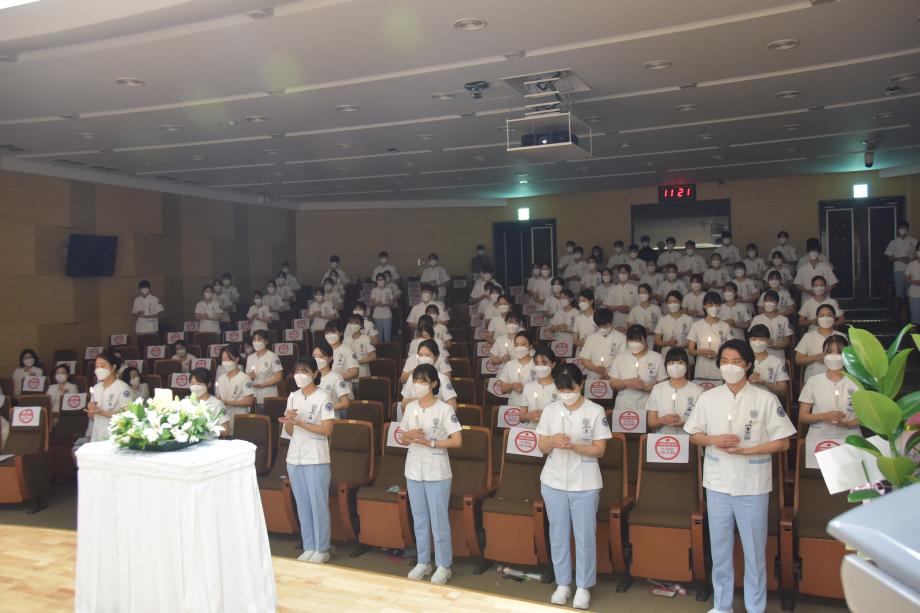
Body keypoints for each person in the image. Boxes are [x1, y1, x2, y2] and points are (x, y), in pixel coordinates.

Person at [684, 339, 796, 613]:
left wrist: (749, 450)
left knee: (754, 552)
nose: (730, 367)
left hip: (752, 485)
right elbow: (694, 434)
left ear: (747, 365)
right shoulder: (708, 398)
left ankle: (755, 607)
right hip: (717, 483)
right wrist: (713, 440)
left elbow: (784, 442)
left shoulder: (765, 399)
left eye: (736, 362)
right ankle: (722, 606)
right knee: (720, 549)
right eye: (724, 361)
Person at [536, 365, 611, 610]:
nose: (566, 394)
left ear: (581, 385)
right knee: (557, 534)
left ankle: (583, 586)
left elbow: (600, 450)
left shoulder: (595, 410)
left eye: (571, 389)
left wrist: (575, 446)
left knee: (584, 536)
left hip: (585, 482)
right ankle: (563, 583)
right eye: (561, 390)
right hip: (553, 481)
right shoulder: (550, 410)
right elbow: (541, 447)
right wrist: (551, 440)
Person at [400, 364, 463, 584]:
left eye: (423, 381)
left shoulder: (444, 409)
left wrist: (432, 442)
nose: (418, 385)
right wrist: (408, 435)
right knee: (419, 519)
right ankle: (423, 561)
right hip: (413, 470)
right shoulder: (410, 408)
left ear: (434, 384)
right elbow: (402, 438)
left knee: (438, 520)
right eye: (415, 381)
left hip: (437, 471)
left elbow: (457, 440)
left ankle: (444, 565)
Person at [276, 357, 336, 563]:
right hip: (295, 457)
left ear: (315, 373)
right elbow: (290, 431)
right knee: (302, 505)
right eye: (297, 371)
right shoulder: (292, 396)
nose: (300, 375)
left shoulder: (324, 397)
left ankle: (322, 549)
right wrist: (289, 420)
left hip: (316, 458)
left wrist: (301, 422)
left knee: (318, 505)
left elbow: (327, 430)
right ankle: (309, 545)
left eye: (305, 371)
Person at [798, 336, 859, 439]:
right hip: (819, 437)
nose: (834, 356)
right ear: (824, 355)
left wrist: (849, 424)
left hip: (850, 437)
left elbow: (867, 416)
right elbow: (802, 416)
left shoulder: (856, 382)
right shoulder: (813, 381)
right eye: (829, 352)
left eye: (839, 352)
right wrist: (824, 416)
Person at [609, 325, 666, 410]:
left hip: (648, 404)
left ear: (645, 339)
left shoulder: (657, 358)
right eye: (631, 340)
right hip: (623, 405)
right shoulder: (620, 358)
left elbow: (663, 386)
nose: (634, 343)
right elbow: (613, 383)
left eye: (638, 340)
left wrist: (647, 387)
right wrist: (627, 383)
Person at [646, 348, 701, 434]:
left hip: (688, 439)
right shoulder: (657, 389)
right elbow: (651, 423)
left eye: (680, 362)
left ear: (687, 365)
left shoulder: (698, 391)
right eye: (671, 363)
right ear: (666, 366)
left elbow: (701, 423)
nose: (675, 366)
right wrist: (662, 420)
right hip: (662, 439)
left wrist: (684, 424)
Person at [87, 352, 132, 442]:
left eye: (103, 366)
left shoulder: (122, 387)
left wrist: (102, 412)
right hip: (97, 436)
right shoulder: (96, 388)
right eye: (96, 366)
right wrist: (91, 411)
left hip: (115, 437)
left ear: (113, 367)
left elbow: (127, 413)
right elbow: (92, 417)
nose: (99, 369)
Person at [795, 304, 846, 382]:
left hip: (838, 378)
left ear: (834, 318)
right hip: (813, 377)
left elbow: (848, 358)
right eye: (822, 315)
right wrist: (815, 358)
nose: (825, 318)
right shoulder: (808, 336)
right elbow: (798, 359)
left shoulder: (842, 336)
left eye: (829, 315)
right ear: (817, 318)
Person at [687, 292, 732, 380]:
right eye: (711, 305)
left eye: (717, 304)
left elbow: (730, 347)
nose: (714, 307)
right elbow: (690, 350)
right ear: (704, 306)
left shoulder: (725, 326)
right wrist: (700, 352)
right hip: (701, 368)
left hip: (720, 368)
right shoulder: (696, 325)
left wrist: (718, 354)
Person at [400, 340, 457, 407]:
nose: (423, 358)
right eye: (420, 355)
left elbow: (453, 406)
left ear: (436, 357)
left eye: (427, 355)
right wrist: (422, 402)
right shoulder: (411, 378)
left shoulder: (443, 379)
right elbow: (403, 404)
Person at [215, 345, 255, 434]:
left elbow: (249, 401)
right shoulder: (220, 379)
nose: (226, 362)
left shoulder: (245, 378)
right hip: (224, 420)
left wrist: (227, 402)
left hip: (239, 419)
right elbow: (218, 398)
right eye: (223, 360)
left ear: (236, 359)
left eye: (229, 359)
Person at [579, 308, 626, 379]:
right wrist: (597, 369)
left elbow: (623, 360)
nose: (602, 328)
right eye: (600, 326)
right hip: (593, 377)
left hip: (614, 377)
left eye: (605, 325)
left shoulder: (621, 338)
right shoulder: (591, 337)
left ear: (611, 322)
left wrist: (609, 374)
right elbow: (585, 359)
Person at [747, 325, 790, 398]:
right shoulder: (743, 360)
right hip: (747, 400)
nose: (757, 342)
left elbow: (783, 391)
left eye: (761, 339)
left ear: (768, 341)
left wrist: (765, 383)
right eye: (754, 339)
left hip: (769, 400)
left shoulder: (777, 362)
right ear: (749, 340)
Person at [749, 291, 793, 360]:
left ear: (777, 303)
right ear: (764, 302)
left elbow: (787, 341)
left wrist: (774, 343)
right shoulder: (757, 319)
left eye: (772, 301)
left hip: (778, 355)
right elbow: (750, 338)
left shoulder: (784, 320)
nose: (769, 303)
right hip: (759, 355)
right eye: (767, 301)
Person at [246, 330, 283, 411]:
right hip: (253, 397)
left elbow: (279, 377)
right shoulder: (250, 358)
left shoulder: (273, 356)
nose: (256, 342)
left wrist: (263, 385)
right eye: (254, 339)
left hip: (268, 395)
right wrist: (250, 377)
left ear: (266, 341)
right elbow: (246, 377)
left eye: (259, 339)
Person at [521, 347, 558, 427]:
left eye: (544, 363)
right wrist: (528, 415)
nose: (540, 366)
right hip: (531, 431)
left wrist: (545, 415)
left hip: (552, 432)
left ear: (553, 364)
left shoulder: (561, 388)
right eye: (537, 363)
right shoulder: (528, 387)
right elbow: (521, 417)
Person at [497, 331, 537, 406]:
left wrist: (525, 389)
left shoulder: (537, 364)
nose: (519, 348)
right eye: (516, 345)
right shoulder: (509, 365)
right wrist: (512, 386)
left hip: (532, 406)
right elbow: (502, 389)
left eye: (523, 344)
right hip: (513, 405)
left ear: (530, 346)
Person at [312, 340, 350, 414]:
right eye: (314, 356)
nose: (317, 359)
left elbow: (345, 403)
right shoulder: (310, 377)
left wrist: (325, 408)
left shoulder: (336, 378)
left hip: (330, 418)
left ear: (330, 358)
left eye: (321, 356)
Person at [654, 290, 694, 361]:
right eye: (670, 302)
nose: (672, 304)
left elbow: (693, 339)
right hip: (667, 356)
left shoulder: (689, 319)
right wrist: (668, 342)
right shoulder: (662, 320)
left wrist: (682, 345)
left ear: (680, 302)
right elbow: (657, 341)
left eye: (675, 302)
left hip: (685, 356)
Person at [885, 221, 918, 305]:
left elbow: (918, 254)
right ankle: (900, 309)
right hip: (898, 269)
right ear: (897, 230)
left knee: (911, 290)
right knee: (899, 292)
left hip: (912, 270)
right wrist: (900, 259)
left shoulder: (914, 241)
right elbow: (888, 256)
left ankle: (910, 308)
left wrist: (911, 260)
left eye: (904, 228)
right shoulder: (893, 242)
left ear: (907, 229)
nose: (902, 230)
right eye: (900, 228)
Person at [189, 368, 229, 435]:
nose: (195, 387)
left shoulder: (217, 404)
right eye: (192, 384)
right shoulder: (187, 402)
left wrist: (208, 429)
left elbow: (226, 429)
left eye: (199, 384)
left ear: (208, 384)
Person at [324, 322, 359, 398]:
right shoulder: (322, 352)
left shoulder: (347, 350)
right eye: (327, 333)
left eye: (333, 332)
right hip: (327, 395)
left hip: (343, 394)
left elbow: (355, 373)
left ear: (340, 333)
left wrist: (333, 378)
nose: (330, 335)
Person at [603, 264, 638, 331]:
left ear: (629, 274)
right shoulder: (612, 289)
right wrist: (618, 308)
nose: (622, 274)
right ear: (618, 273)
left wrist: (630, 309)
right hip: (617, 318)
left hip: (632, 318)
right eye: (621, 272)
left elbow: (639, 305)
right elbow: (608, 306)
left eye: (625, 272)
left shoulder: (635, 288)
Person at [343, 314, 376, 378]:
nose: (353, 325)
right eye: (351, 323)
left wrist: (358, 361)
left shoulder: (366, 339)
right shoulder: (346, 339)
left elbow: (373, 356)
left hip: (362, 374)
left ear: (361, 325)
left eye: (356, 323)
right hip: (348, 374)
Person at [370, 273, 396, 342]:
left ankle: (387, 348)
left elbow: (392, 302)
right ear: (376, 281)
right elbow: (372, 303)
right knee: (379, 335)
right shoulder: (374, 290)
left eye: (382, 279)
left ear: (385, 280)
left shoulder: (389, 289)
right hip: (377, 315)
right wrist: (377, 304)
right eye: (379, 280)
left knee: (387, 335)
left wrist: (386, 304)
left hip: (387, 314)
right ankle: (380, 348)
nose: (381, 281)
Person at [906, 246, 920, 324]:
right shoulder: (911, 264)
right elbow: (907, 279)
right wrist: (915, 282)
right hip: (914, 294)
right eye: (919, 250)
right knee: (915, 318)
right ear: (916, 251)